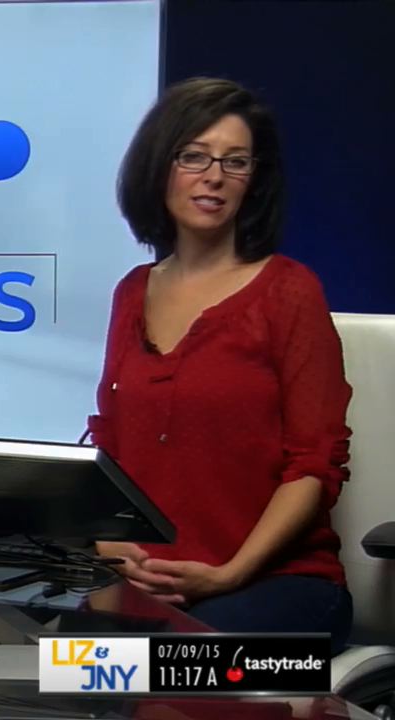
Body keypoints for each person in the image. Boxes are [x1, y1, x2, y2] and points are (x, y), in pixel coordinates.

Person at [88, 78, 353, 652]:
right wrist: (108, 546)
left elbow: (313, 466)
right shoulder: (131, 292)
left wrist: (229, 574)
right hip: (150, 584)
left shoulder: (290, 292)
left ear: (253, 180)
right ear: (159, 167)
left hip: (281, 587)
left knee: (169, 670)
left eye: (235, 162)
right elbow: (111, 447)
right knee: (52, 669)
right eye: (195, 156)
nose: (214, 176)